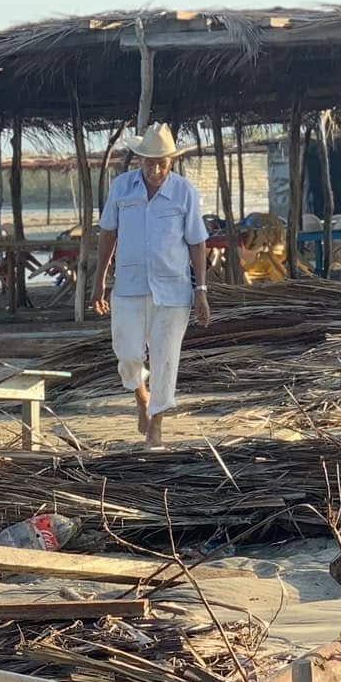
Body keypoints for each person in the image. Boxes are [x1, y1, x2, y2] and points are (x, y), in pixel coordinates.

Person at [89, 124, 211, 447]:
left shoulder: (184, 192)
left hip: (174, 290)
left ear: (171, 162)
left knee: (165, 357)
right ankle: (141, 395)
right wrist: (99, 280)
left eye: (163, 163)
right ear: (139, 160)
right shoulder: (121, 189)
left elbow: (197, 243)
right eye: (150, 163)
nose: (156, 170)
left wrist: (201, 291)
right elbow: (107, 235)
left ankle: (157, 421)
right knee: (128, 355)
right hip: (129, 286)